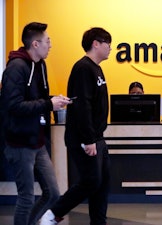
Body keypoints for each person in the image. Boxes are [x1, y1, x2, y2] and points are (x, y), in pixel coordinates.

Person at [0, 22, 70, 225]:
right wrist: (48, 104)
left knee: (53, 194)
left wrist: (54, 101)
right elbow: (13, 106)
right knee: (26, 197)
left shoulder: (40, 65)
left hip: (37, 142)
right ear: (36, 44)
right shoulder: (16, 68)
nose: (51, 45)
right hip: (20, 143)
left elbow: (37, 98)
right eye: (48, 41)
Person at [40, 27, 112, 225]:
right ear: (95, 43)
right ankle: (52, 214)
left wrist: (95, 138)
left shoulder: (97, 68)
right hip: (84, 137)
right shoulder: (83, 68)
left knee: (102, 183)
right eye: (108, 43)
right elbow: (82, 106)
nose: (110, 48)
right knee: (91, 181)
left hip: (97, 137)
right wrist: (88, 140)